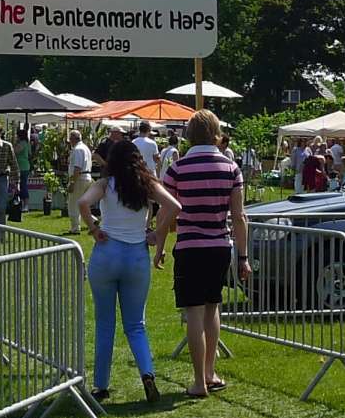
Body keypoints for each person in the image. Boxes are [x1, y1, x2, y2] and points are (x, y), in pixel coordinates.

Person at [158, 110, 249, 400]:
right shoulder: (231, 168)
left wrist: (158, 246)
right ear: (216, 133)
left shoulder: (177, 169)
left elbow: (165, 213)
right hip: (220, 246)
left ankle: (199, 381)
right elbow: (239, 217)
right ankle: (210, 373)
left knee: (194, 312)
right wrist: (244, 257)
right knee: (212, 308)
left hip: (189, 247)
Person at [78, 139, 176, 402]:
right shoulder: (147, 185)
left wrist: (94, 228)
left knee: (105, 323)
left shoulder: (104, 184)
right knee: (136, 325)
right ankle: (147, 373)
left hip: (106, 254)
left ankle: (101, 385)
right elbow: (175, 206)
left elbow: (83, 203)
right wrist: (157, 233)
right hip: (136, 257)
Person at [64, 130, 92, 235]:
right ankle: (93, 220)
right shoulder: (85, 148)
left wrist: (72, 182)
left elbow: (77, 167)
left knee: (73, 204)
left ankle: (75, 228)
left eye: (70, 139)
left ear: (73, 139)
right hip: (86, 177)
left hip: (79, 178)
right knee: (81, 204)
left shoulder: (77, 149)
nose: (69, 142)